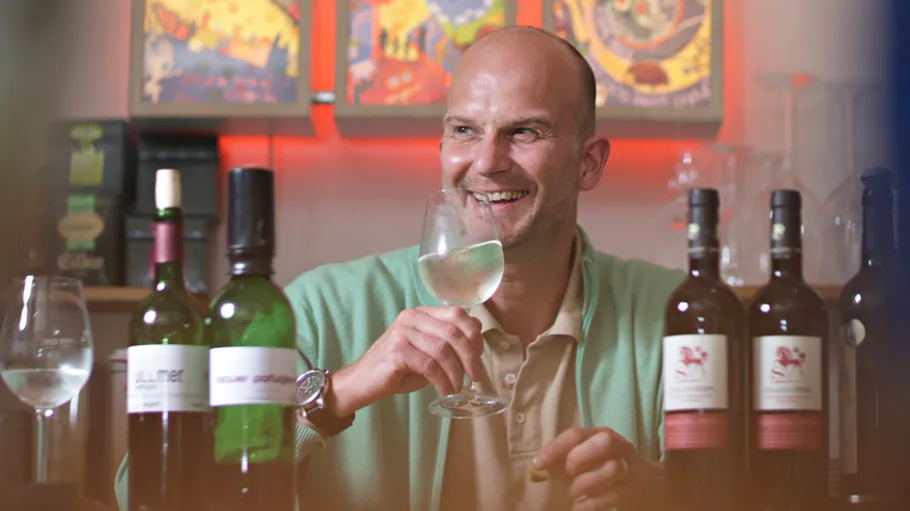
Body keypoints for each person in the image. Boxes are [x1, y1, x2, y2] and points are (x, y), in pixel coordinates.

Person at [114, 25, 684, 511]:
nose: (486, 162)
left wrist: (665, 494)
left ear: (589, 162)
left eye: (524, 131)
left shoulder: (671, 317)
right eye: (464, 130)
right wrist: (335, 396)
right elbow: (146, 490)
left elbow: (752, 489)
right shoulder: (318, 310)